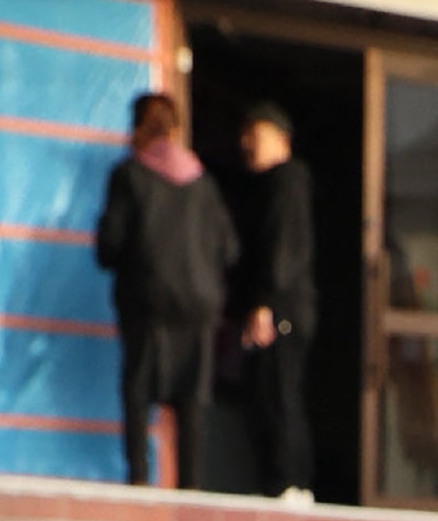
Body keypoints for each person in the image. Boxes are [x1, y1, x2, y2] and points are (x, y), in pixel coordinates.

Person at [94, 91, 237, 489]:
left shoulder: (129, 176)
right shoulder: (202, 181)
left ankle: (140, 481)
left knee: (139, 394)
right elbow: (229, 247)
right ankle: (190, 489)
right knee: (192, 401)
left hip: (148, 303)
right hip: (199, 306)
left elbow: (109, 247)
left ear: (137, 128)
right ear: (175, 129)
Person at [234, 103, 318, 498]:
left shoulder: (287, 182)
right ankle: (282, 484)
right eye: (246, 134)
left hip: (283, 308)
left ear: (282, 140)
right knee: (270, 397)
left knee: (280, 396)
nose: (248, 143)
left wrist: (266, 305)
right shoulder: (270, 186)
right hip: (281, 306)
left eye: (258, 134)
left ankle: (290, 484)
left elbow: (283, 250)